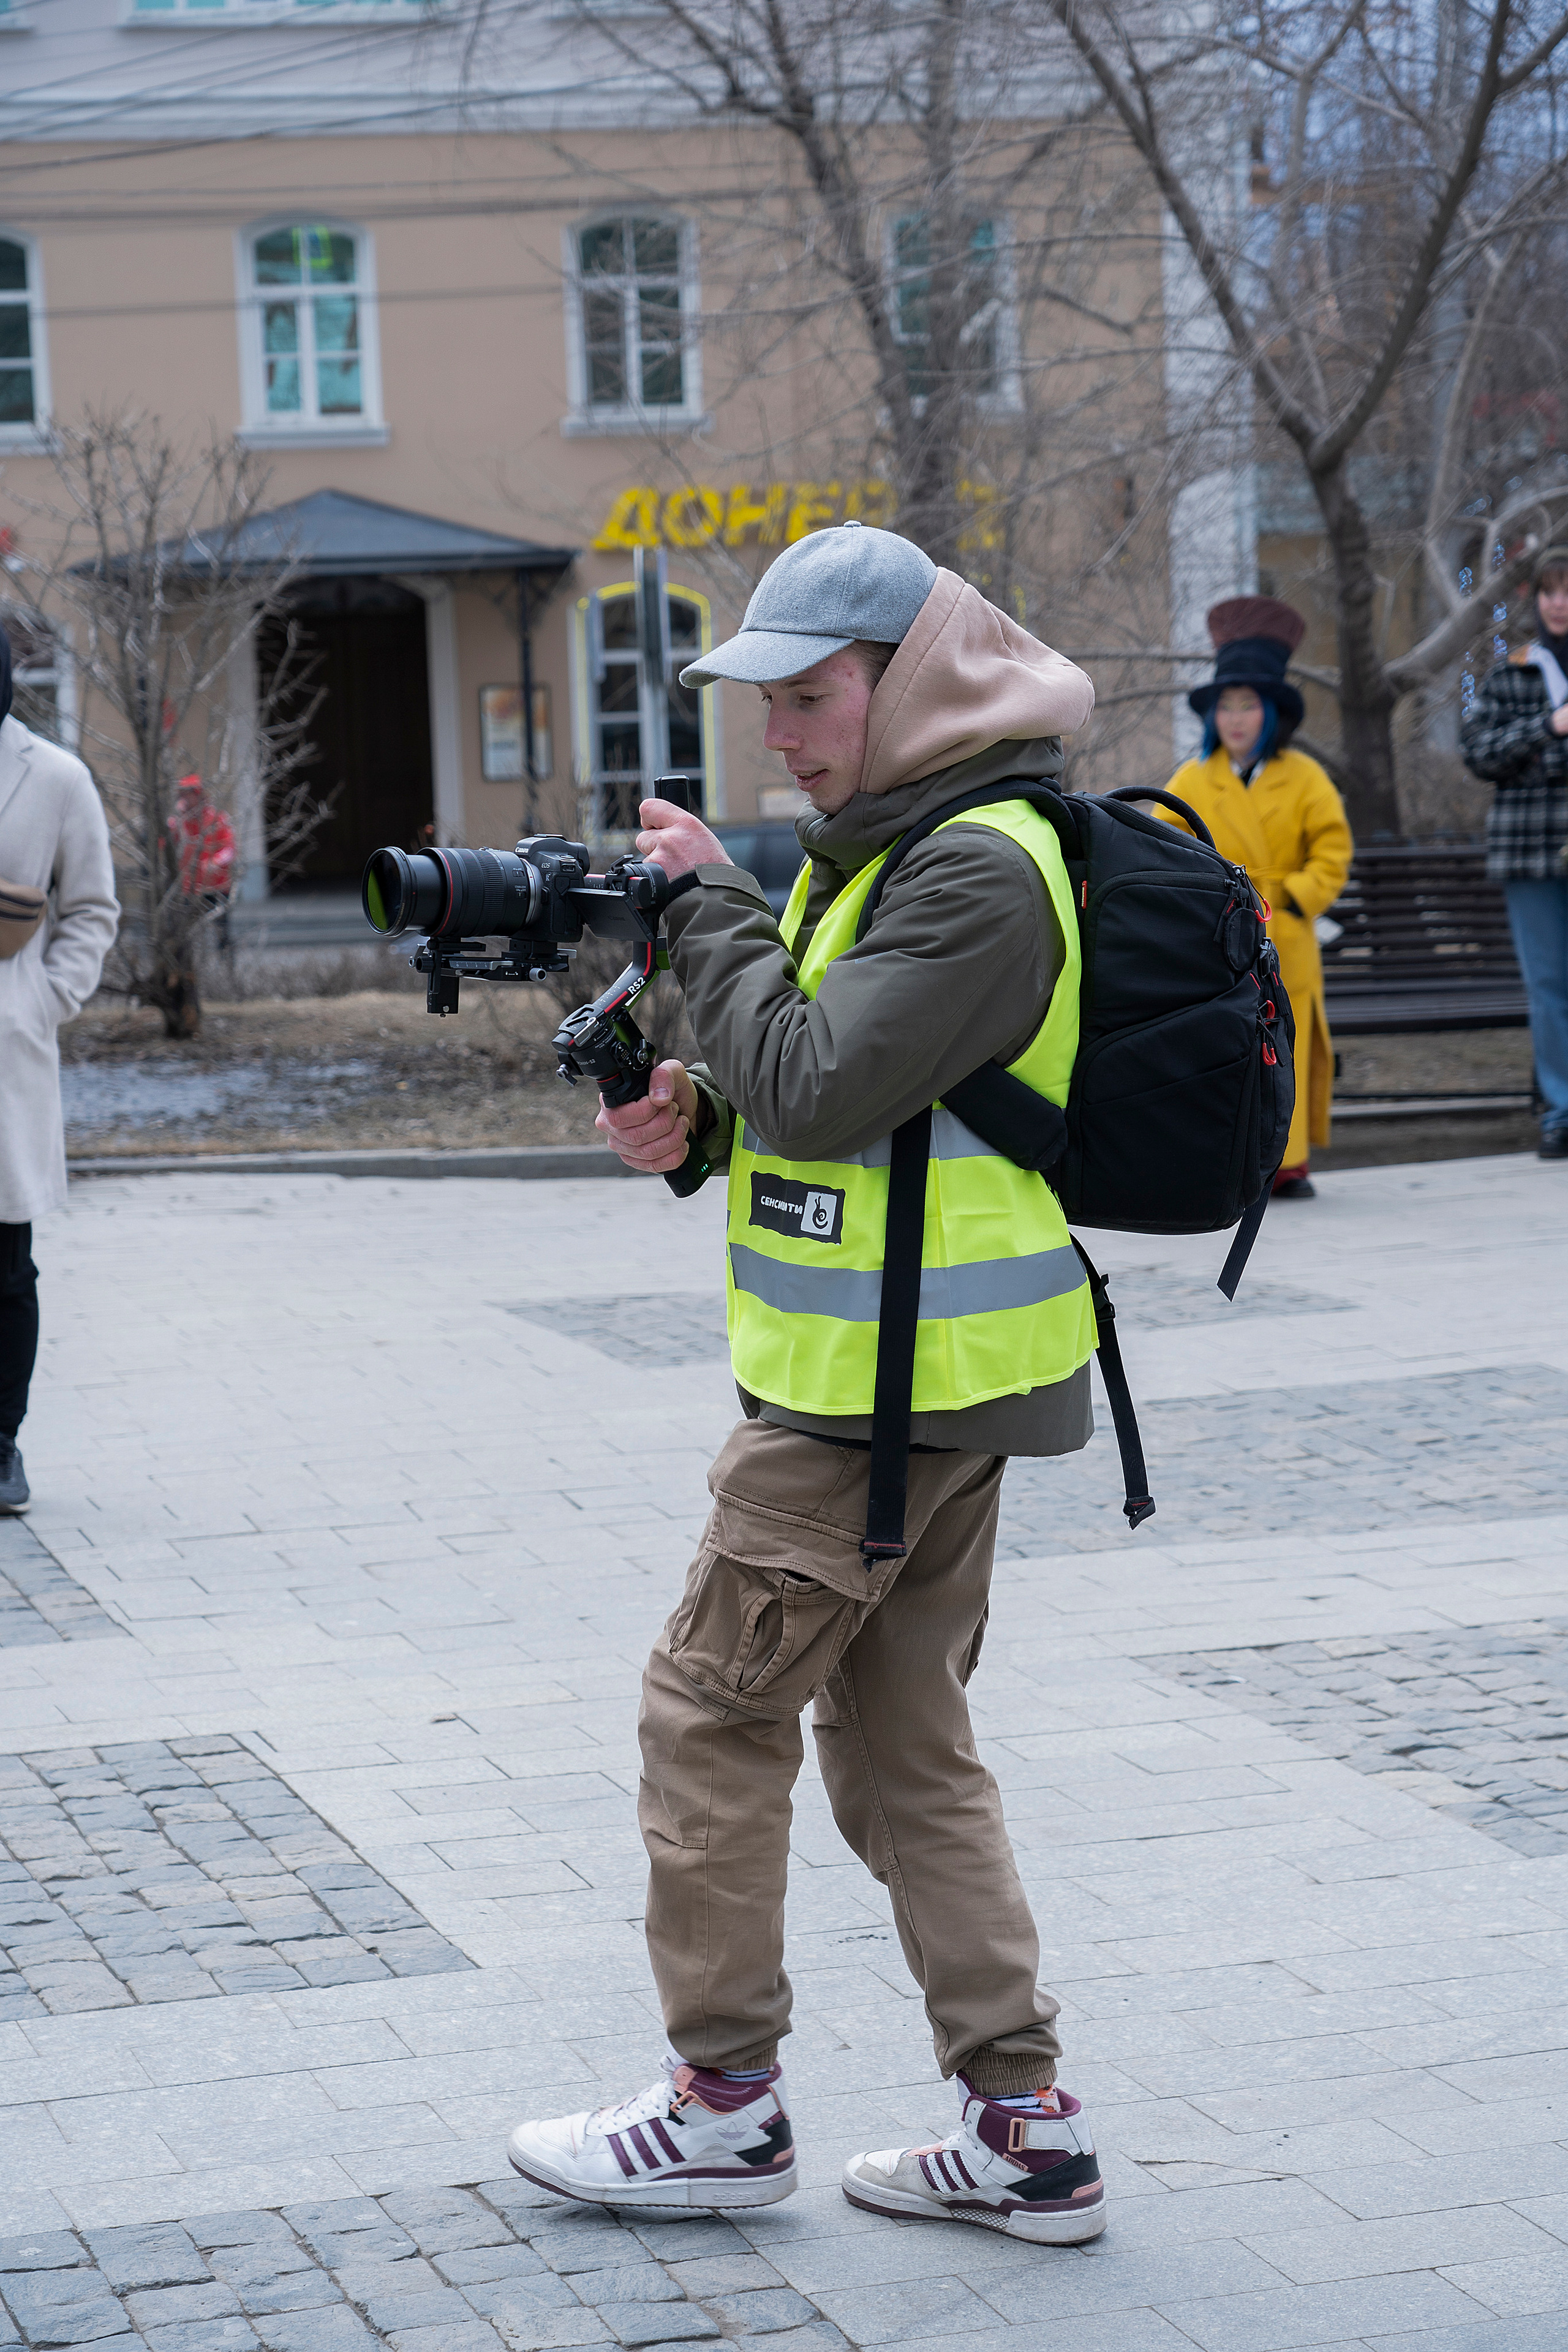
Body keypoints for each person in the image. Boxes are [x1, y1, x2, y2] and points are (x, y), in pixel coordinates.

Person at [507, 523, 1109, 2245]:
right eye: (765, 695)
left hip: (872, 1400)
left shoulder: (978, 867)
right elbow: (830, 1092)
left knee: (708, 1716)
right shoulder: (892, 848)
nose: (779, 728)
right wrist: (696, 1118)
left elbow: (829, 1081)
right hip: (912, 1381)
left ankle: (721, 2108)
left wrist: (708, 909)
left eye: (812, 694)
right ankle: (1026, 2130)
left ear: (911, 684)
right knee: (907, 1753)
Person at [1163, 598, 1353, 1199]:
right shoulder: (1191, 780)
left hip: (1287, 936)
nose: (1237, 719)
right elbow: (1163, 847)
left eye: (1249, 705)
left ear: (1272, 713)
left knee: (1283, 1041)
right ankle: (1234, 1156)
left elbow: (1332, 850)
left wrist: (1295, 899)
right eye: (1227, 705)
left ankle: (1287, 1162)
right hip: (1219, 935)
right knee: (1225, 1041)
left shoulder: (1305, 777)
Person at [0, 622, 119, 1513]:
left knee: (5, 1260)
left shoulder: (52, 776)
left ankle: (2, 1444)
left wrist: (40, 1000)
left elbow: (91, 911)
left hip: (5, 1039)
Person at [1461, 546, 1568, 1160]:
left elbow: (1512, 763)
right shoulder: (1513, 673)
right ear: (1535, 601)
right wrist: (1548, 731)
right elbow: (1479, 753)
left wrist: (1532, 760)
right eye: (1549, 591)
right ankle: (1559, 1112)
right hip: (1531, 852)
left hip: (1535, 822)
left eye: (1567, 590)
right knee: (1549, 986)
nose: (1558, 602)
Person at [168, 772, 236, 950]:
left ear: (198, 794)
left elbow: (230, 849)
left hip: (217, 887)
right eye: (181, 795)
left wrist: (216, 863)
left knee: (222, 933)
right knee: (185, 934)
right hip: (190, 888)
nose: (184, 799)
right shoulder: (179, 823)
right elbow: (164, 845)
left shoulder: (217, 819)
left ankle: (225, 966)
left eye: (187, 794)